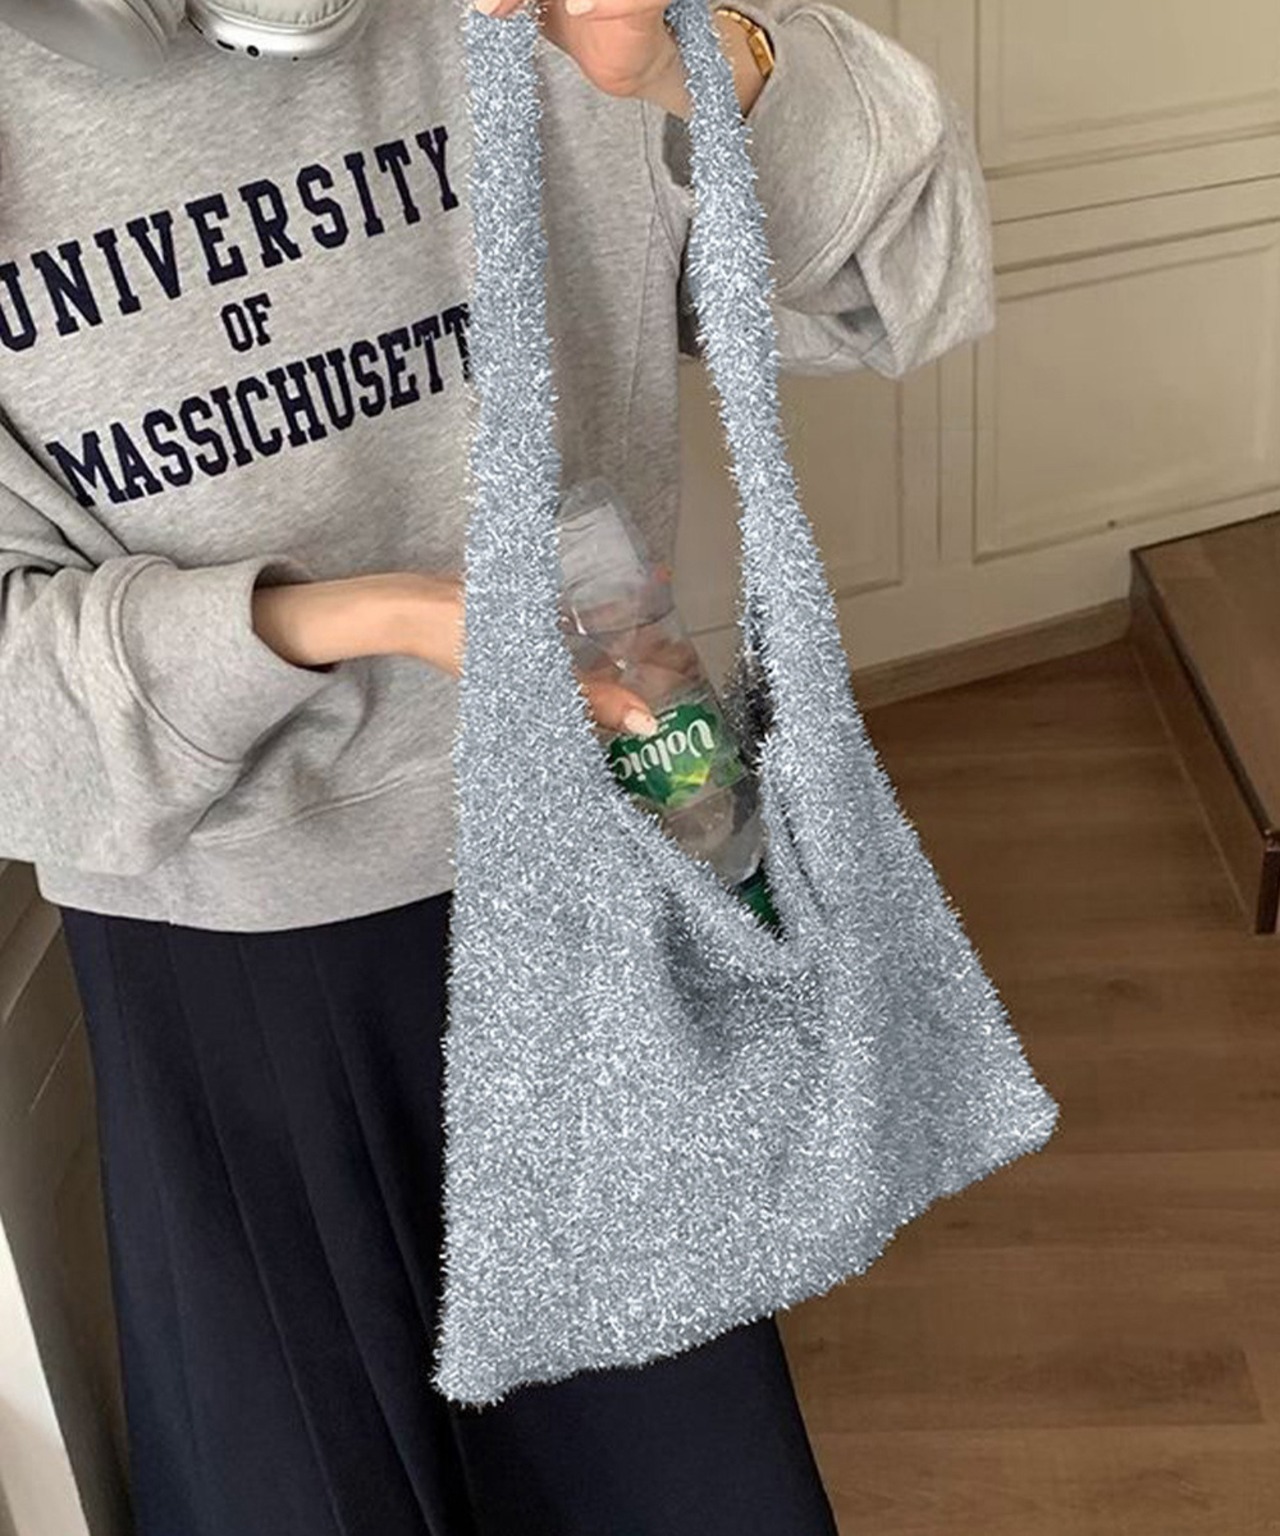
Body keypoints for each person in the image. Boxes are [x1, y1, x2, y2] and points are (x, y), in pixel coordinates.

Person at [0, 0, 995, 1530]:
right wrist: (369, 616)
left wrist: (701, 63)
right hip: (231, 958)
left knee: (672, 1477)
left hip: (609, 852)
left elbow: (912, 276)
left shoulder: (543, 24)